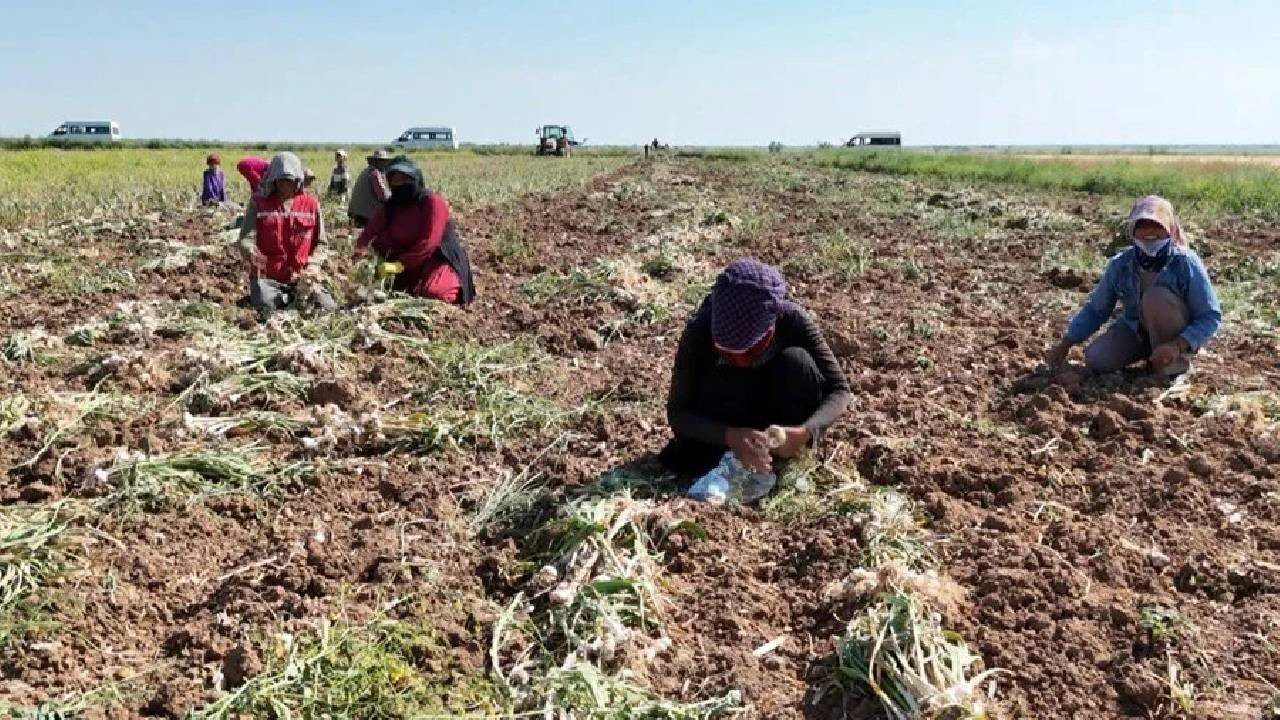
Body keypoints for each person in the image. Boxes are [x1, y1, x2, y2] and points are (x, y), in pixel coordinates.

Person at [660, 258, 850, 475]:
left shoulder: (793, 321)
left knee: (797, 361)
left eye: (750, 351)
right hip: (727, 418)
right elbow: (678, 413)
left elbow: (839, 390)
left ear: (770, 330)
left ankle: (784, 457)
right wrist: (730, 436)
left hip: (777, 419)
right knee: (719, 381)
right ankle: (728, 457)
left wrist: (805, 432)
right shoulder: (699, 330)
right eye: (727, 353)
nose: (741, 361)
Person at [1046, 195, 1221, 377]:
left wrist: (1177, 345)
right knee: (1096, 358)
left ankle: (1173, 365)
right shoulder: (1121, 264)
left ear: (1170, 229)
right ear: (1132, 231)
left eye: (1157, 226)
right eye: (1142, 226)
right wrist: (1066, 343)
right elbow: (1096, 309)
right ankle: (1148, 353)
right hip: (1136, 330)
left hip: (1174, 336)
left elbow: (1210, 316)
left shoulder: (1185, 263)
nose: (1149, 232)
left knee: (1156, 297)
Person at [353, 156, 475, 305]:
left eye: (405, 180)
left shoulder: (431, 202)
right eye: (395, 181)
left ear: (416, 179)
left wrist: (400, 265)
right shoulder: (391, 206)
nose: (399, 184)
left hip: (437, 259)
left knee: (433, 293)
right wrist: (360, 257)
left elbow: (429, 242)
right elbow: (369, 233)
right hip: (404, 262)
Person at [237, 152, 336, 317]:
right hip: (268, 278)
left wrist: (313, 265)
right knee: (267, 308)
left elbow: (321, 243)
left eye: (290, 180)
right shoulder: (258, 203)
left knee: (326, 308)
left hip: (302, 277)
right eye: (281, 180)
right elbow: (246, 238)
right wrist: (251, 252)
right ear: (273, 180)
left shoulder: (311, 205)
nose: (285, 185)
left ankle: (293, 297)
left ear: (298, 180)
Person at [348, 149, 394, 227]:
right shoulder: (375, 174)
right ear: (375, 162)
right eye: (382, 161)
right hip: (365, 217)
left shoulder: (366, 171)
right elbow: (384, 196)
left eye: (384, 161)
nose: (384, 164)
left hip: (355, 213)